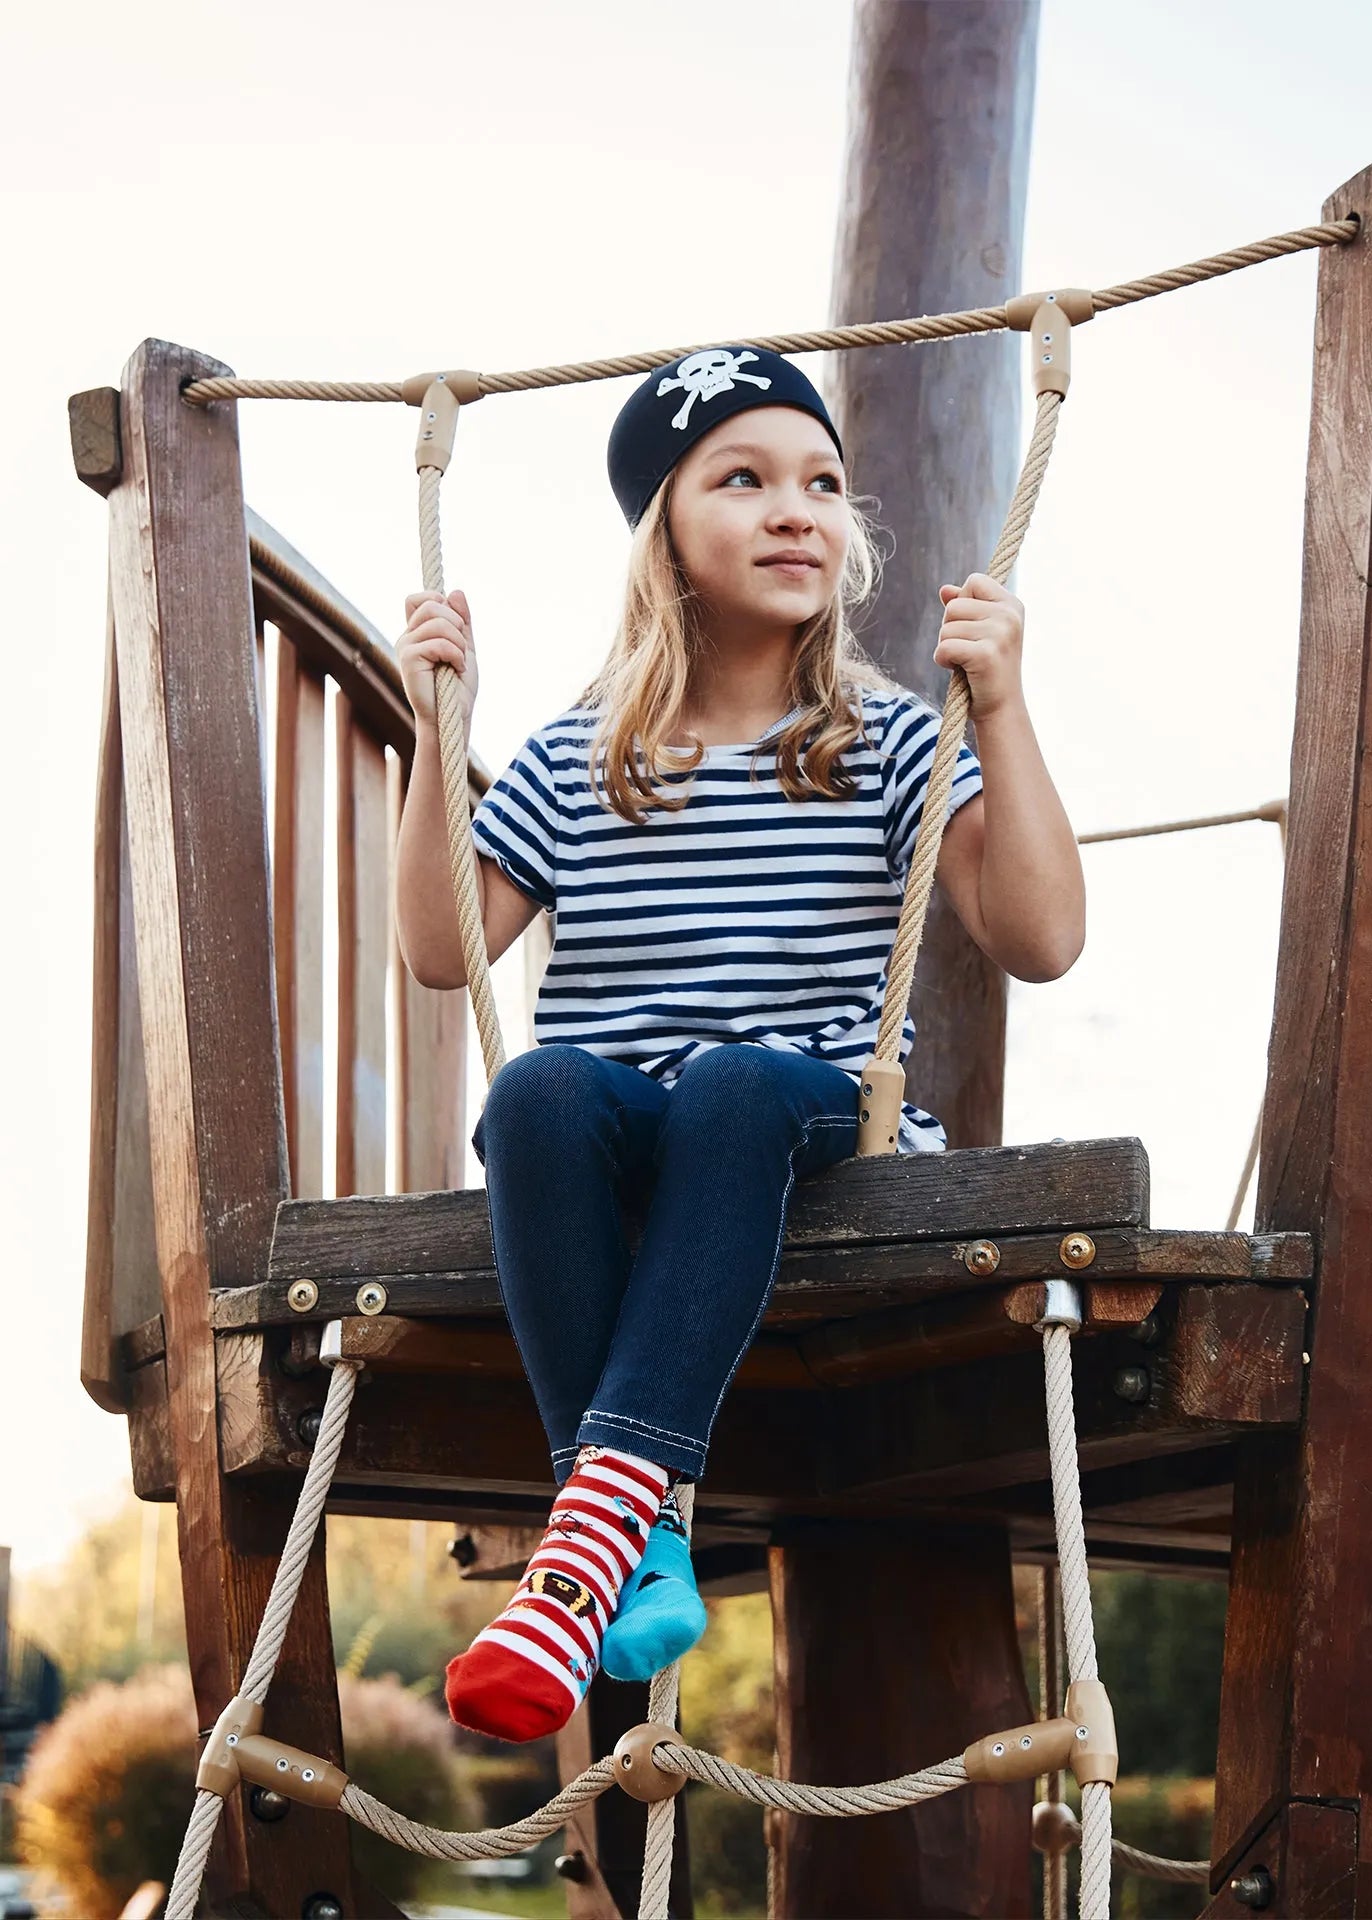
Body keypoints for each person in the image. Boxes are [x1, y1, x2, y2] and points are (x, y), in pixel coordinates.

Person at [392, 346, 1085, 1743]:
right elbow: (438, 947)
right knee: (535, 1091)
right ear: (663, 530)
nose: (796, 510)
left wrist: (1004, 708)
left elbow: (1043, 935)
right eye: (745, 480)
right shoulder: (581, 757)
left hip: (807, 1118)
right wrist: (431, 729)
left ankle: (577, 1538)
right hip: (633, 1126)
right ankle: (630, 1538)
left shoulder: (882, 740)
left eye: (823, 484)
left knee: (732, 1083)